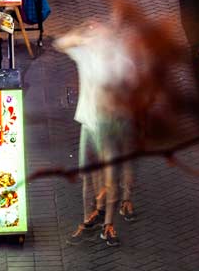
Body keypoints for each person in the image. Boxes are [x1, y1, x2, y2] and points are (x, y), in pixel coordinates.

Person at [56, 19, 137, 249]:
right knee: (86, 177)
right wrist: (81, 32)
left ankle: (108, 225)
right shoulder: (86, 54)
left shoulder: (120, 61)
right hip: (88, 124)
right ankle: (89, 217)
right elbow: (61, 43)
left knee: (110, 179)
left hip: (111, 125)